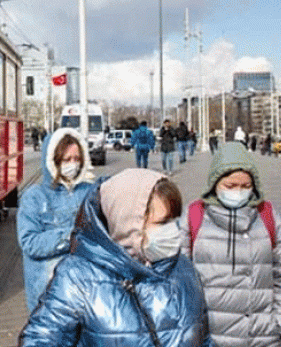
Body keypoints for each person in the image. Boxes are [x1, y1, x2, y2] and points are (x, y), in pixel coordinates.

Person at [19, 169, 212, 346]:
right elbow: (39, 339)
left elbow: (203, 339)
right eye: (162, 223)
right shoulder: (77, 277)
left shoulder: (183, 268)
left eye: (173, 220)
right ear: (128, 224)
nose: (172, 230)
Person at [182, 141, 281, 346]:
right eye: (230, 186)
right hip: (208, 338)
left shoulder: (270, 216)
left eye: (246, 186)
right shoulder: (193, 216)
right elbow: (177, 281)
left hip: (261, 337)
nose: (238, 191)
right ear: (214, 183)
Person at [16, 128, 102, 312]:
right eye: (67, 159)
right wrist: (73, 235)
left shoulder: (89, 191)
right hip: (49, 297)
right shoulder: (35, 197)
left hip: (86, 293)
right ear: (53, 160)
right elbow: (30, 243)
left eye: (77, 159)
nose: (73, 164)